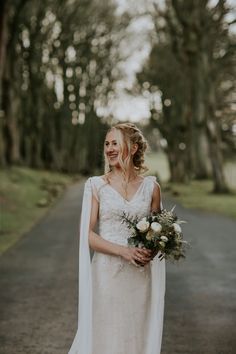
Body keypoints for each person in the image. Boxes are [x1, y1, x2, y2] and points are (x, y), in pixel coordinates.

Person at [68, 122, 166, 354]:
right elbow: (87, 234)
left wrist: (151, 250)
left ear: (133, 149)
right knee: (106, 333)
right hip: (107, 273)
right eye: (107, 144)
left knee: (135, 333)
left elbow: (158, 233)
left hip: (139, 275)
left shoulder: (152, 188)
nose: (109, 149)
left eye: (115, 143)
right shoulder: (96, 186)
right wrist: (124, 251)